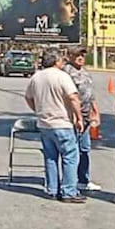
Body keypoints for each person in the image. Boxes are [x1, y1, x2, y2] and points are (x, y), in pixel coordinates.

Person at [24, 49, 86, 203]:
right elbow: (73, 97)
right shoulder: (62, 76)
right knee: (70, 157)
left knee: (51, 157)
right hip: (62, 122)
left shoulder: (36, 77)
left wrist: (38, 110)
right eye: (62, 60)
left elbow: (28, 97)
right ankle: (69, 191)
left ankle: (52, 189)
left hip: (44, 124)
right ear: (56, 61)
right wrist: (79, 118)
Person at [64, 47, 101, 192]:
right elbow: (68, 96)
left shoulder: (84, 72)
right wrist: (75, 115)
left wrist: (96, 112)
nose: (81, 58)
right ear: (70, 56)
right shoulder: (67, 72)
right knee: (72, 151)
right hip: (73, 117)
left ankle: (83, 180)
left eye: (82, 55)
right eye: (77, 55)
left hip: (86, 117)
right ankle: (69, 182)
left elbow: (90, 95)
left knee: (84, 149)